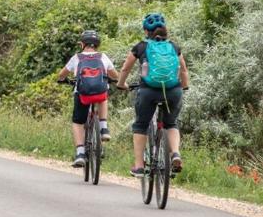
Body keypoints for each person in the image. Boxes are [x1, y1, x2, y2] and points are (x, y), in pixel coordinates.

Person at [117, 13, 189, 177]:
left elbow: (125, 69)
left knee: (141, 125)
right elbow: (183, 70)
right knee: (171, 124)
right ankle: (175, 153)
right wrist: (184, 86)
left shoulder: (141, 46)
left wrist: (121, 84)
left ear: (145, 31)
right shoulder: (174, 46)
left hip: (148, 91)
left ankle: (139, 166)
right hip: (173, 91)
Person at [57, 30, 119, 168]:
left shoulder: (77, 58)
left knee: (78, 122)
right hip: (100, 93)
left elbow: (62, 74)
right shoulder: (103, 57)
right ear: (97, 45)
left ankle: (80, 153)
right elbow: (115, 75)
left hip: (82, 94)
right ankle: (103, 128)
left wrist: (62, 79)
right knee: (103, 95)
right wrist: (117, 81)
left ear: (82, 44)